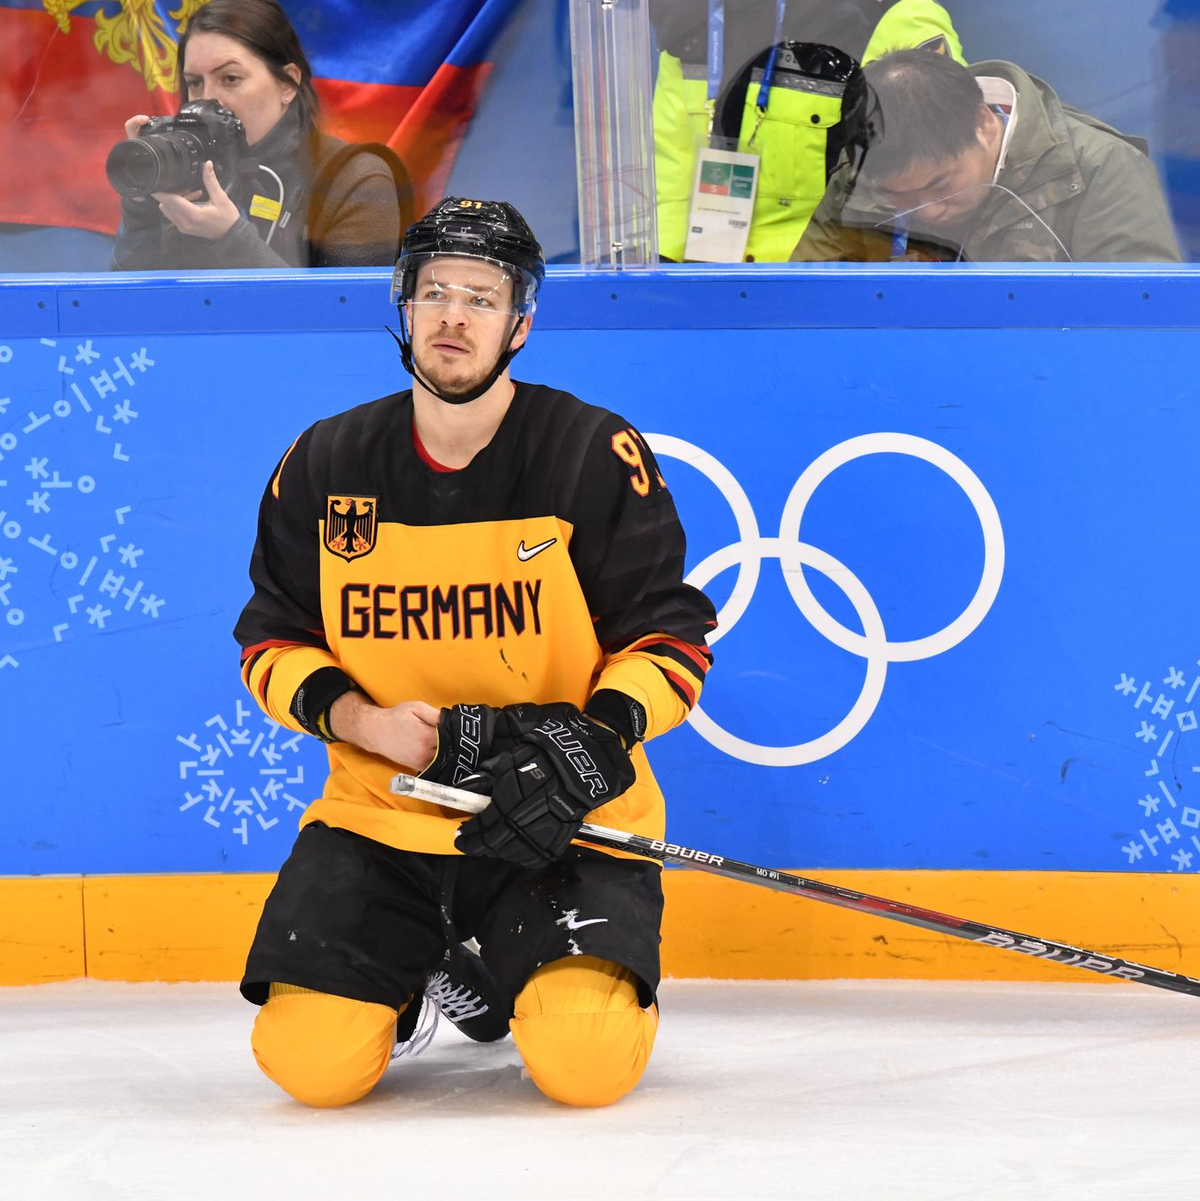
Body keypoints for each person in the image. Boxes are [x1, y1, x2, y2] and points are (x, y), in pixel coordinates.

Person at [232, 197, 717, 1109]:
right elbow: (272, 639)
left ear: (520, 324)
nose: (453, 316)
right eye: (435, 292)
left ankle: (531, 965)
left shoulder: (590, 451)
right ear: (404, 304)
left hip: (563, 819)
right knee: (310, 1066)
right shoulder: (325, 460)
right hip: (384, 818)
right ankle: (420, 964)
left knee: (585, 1066)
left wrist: (591, 744)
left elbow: (669, 639)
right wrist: (363, 720)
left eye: (482, 298)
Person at [792, 48, 1183, 262]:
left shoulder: (1098, 168)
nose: (928, 211)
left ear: (984, 123)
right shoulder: (857, 179)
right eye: (899, 197)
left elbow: (1139, 322)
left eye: (939, 185)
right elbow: (806, 309)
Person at [650, 0, 965, 262]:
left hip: (831, 279)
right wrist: (673, 289)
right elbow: (672, 189)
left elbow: (925, 176)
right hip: (710, 283)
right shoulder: (689, 19)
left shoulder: (893, 14)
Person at [110, 0, 409, 270]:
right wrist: (141, 209)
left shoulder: (354, 180)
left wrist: (231, 238)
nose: (208, 99)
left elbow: (344, 311)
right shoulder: (185, 172)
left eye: (230, 78)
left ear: (288, 84)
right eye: (195, 83)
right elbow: (125, 306)